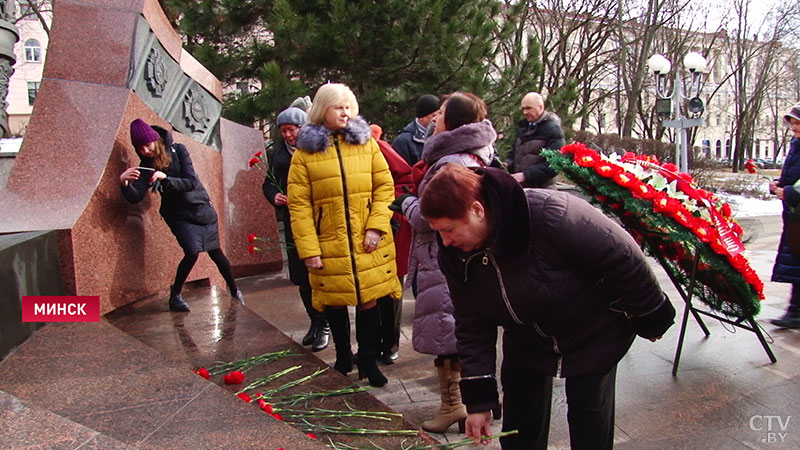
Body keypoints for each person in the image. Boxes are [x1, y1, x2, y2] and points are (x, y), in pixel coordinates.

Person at [419, 163, 676, 449]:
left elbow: (622, 255)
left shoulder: (549, 213)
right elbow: (471, 321)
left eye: (449, 229)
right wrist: (479, 401)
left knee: (588, 416)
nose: (445, 241)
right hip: (526, 337)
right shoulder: (454, 253)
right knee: (519, 426)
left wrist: (650, 316)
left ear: (478, 210)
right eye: (438, 232)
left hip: (593, 331)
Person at [392, 92, 500, 433]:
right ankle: (463, 404)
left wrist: (407, 203)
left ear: (452, 121)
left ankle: (455, 405)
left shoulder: (450, 161)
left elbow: (432, 216)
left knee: (450, 332)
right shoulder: (478, 154)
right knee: (455, 330)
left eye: (440, 114)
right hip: (457, 255)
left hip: (447, 258)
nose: (435, 119)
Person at [287, 83, 403, 387]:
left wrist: (376, 227)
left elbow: (384, 187)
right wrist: (309, 248)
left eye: (349, 106)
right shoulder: (305, 153)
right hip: (329, 241)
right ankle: (342, 356)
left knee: (369, 300)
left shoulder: (366, 143)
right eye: (338, 106)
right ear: (322, 109)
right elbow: (298, 205)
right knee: (334, 300)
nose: (345, 112)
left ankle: (367, 359)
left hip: (368, 239)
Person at [120, 119, 244, 312]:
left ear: (155, 140)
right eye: (140, 147)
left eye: (147, 144)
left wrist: (166, 179)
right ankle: (175, 295)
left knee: (215, 252)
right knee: (192, 251)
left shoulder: (179, 150)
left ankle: (235, 291)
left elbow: (190, 182)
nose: (145, 150)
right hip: (178, 215)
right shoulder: (146, 165)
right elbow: (135, 197)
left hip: (200, 207)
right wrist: (124, 182)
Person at [263, 106, 329, 351]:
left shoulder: (317, 148)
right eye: (284, 131)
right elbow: (267, 184)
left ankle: (326, 325)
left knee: (321, 276)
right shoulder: (279, 154)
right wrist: (276, 196)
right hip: (294, 222)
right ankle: (315, 322)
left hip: (318, 221)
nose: (288, 135)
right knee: (302, 278)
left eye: (292, 129)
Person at [369, 123, 414, 364]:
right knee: (369, 290)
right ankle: (372, 345)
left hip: (390, 226)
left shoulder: (376, 146)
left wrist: (387, 205)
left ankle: (390, 344)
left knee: (391, 286)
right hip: (363, 228)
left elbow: (406, 179)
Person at [770, 102, 800, 328]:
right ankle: (795, 310)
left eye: (798, 124)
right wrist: (779, 185)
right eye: (792, 124)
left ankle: (796, 311)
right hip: (793, 214)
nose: (794, 128)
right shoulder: (796, 145)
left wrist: (788, 192)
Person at [505, 92, 565, 188]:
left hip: (542, 190)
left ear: (540, 107)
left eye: (528, 108)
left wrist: (527, 175)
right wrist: (507, 164)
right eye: (523, 109)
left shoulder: (553, 130)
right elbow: (514, 154)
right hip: (521, 187)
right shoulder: (523, 128)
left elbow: (555, 164)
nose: (525, 112)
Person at [391, 94, 440, 166]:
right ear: (421, 118)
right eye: (434, 115)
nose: (437, 119)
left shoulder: (444, 134)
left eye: (440, 114)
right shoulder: (403, 142)